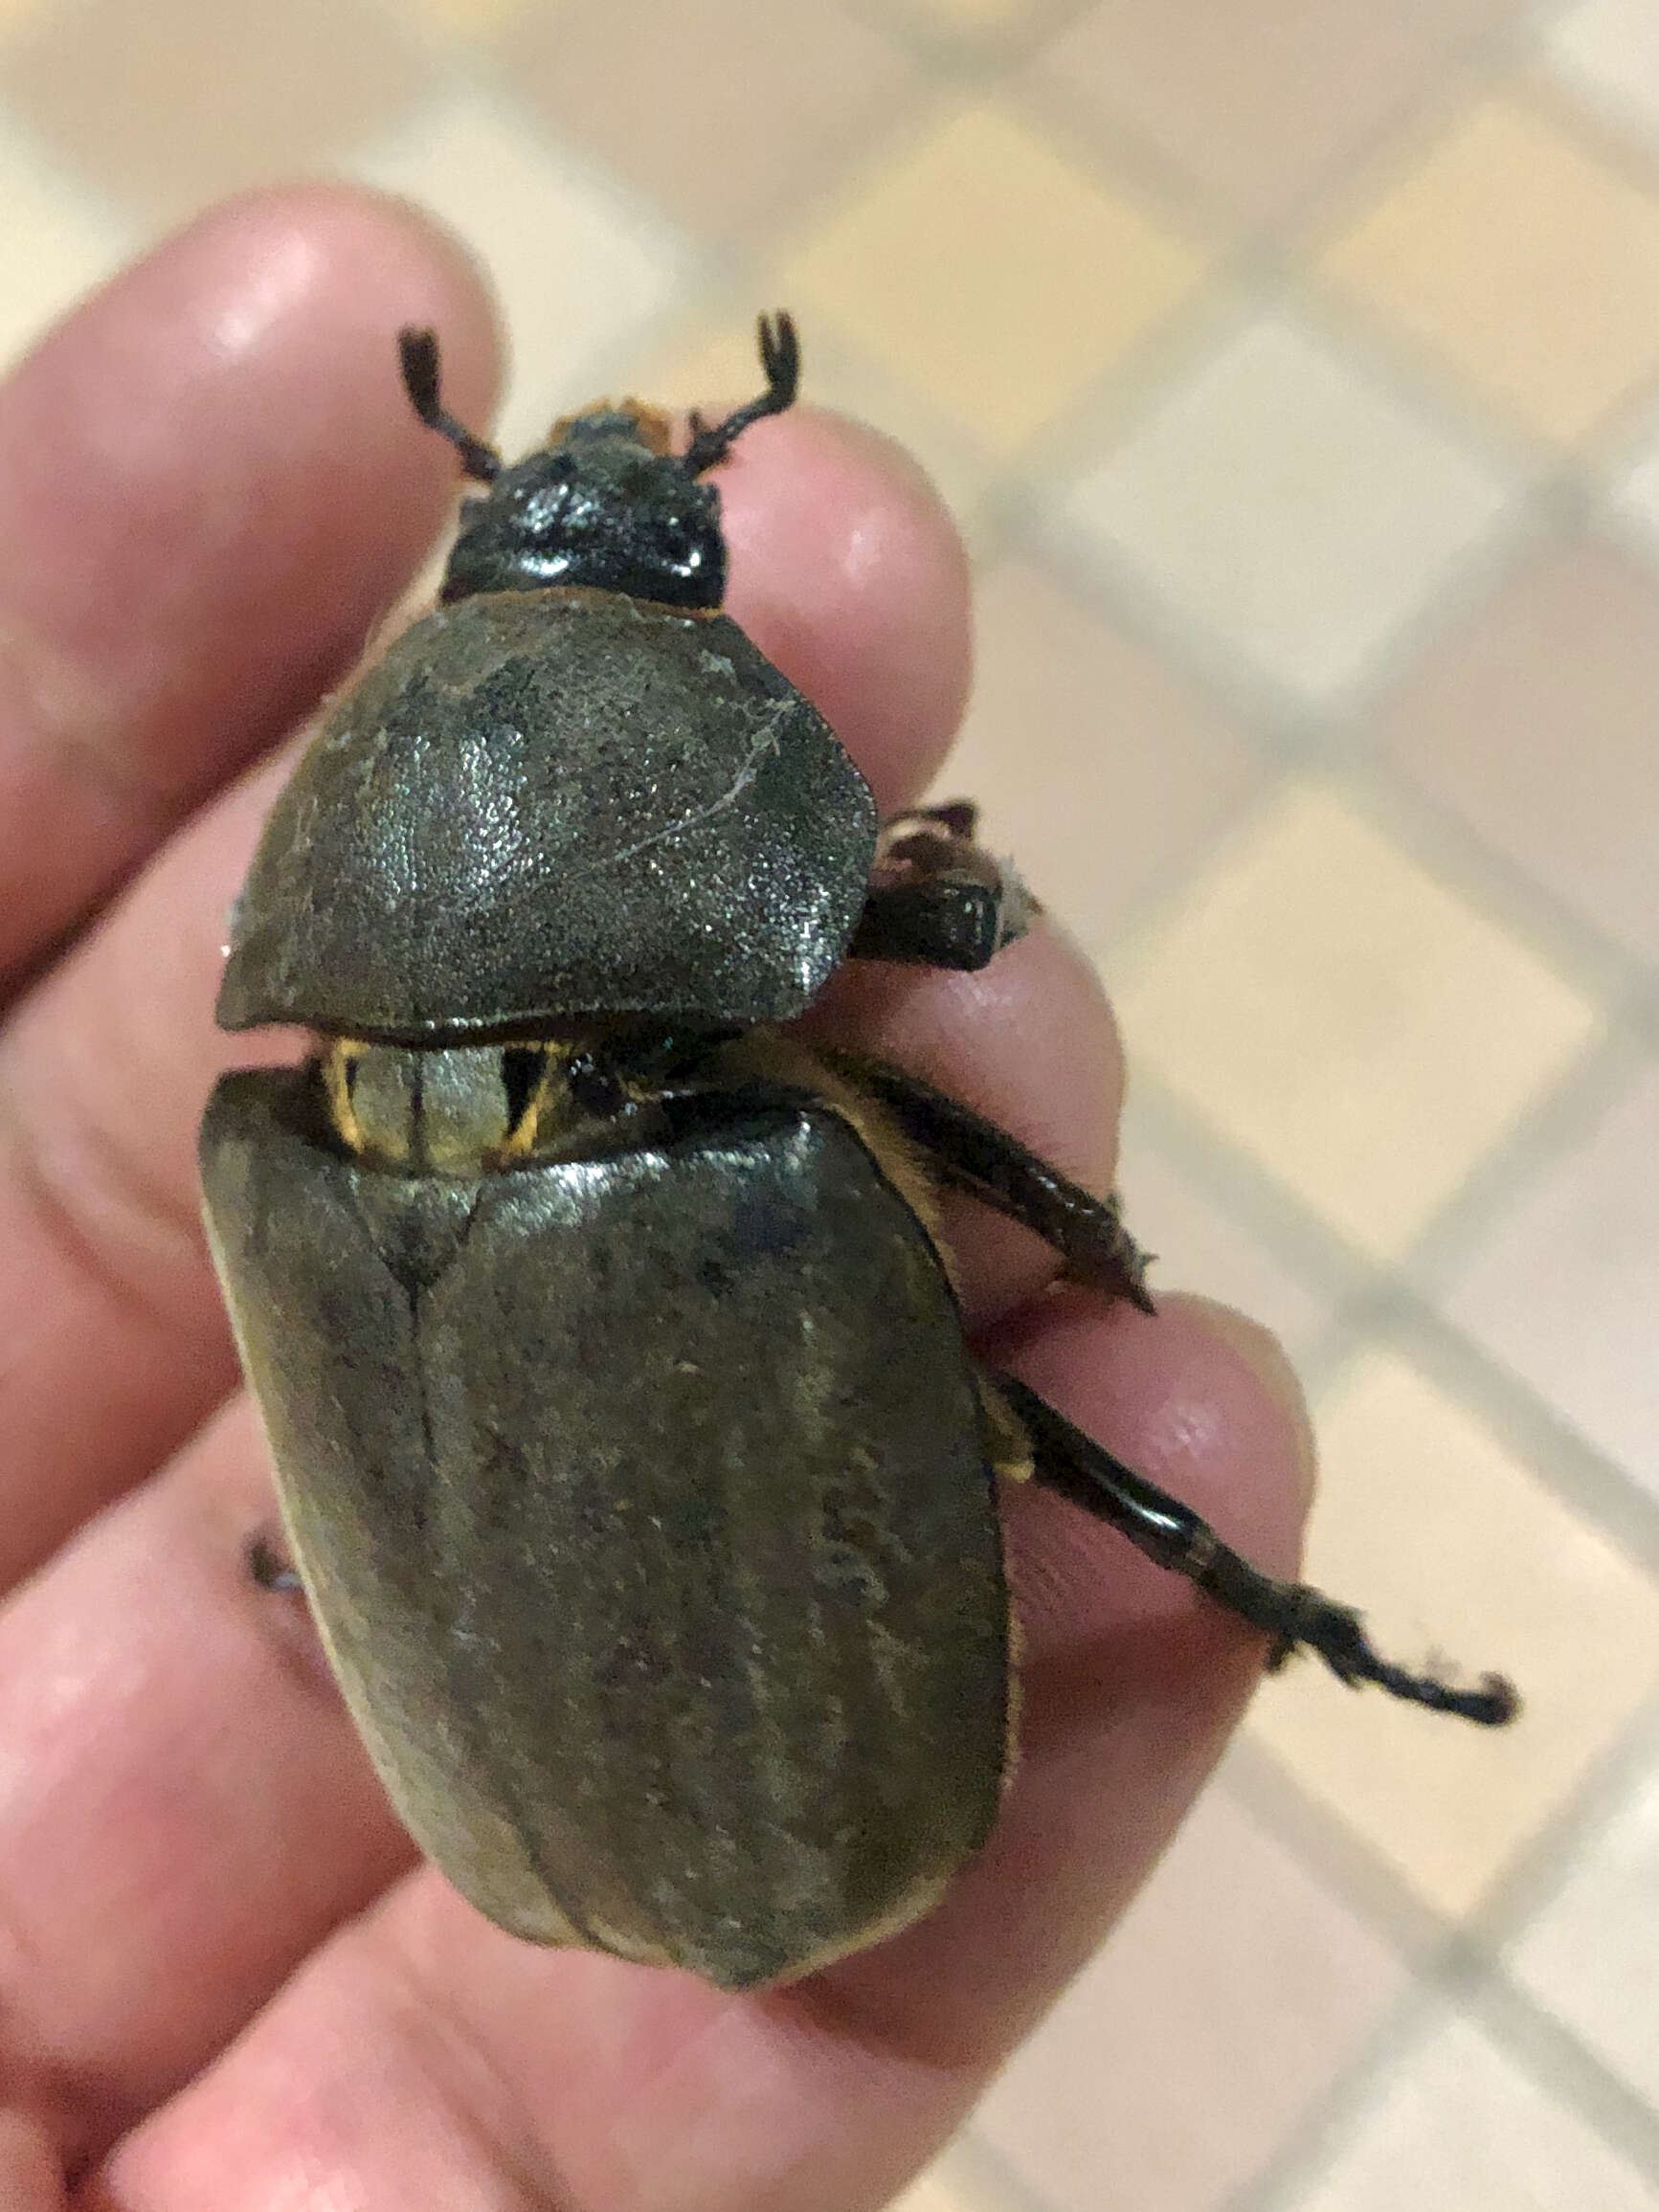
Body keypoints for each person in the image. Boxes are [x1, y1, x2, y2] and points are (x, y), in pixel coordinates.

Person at [0, 189, 1312, 2211]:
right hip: (761, 1784)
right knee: (980, 1341)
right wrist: (1083, 1220)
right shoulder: (743, 1132)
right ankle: (1262, 1593)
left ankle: (1247, 1582)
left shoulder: (268, 1142)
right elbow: (955, 921)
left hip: (587, 1791)